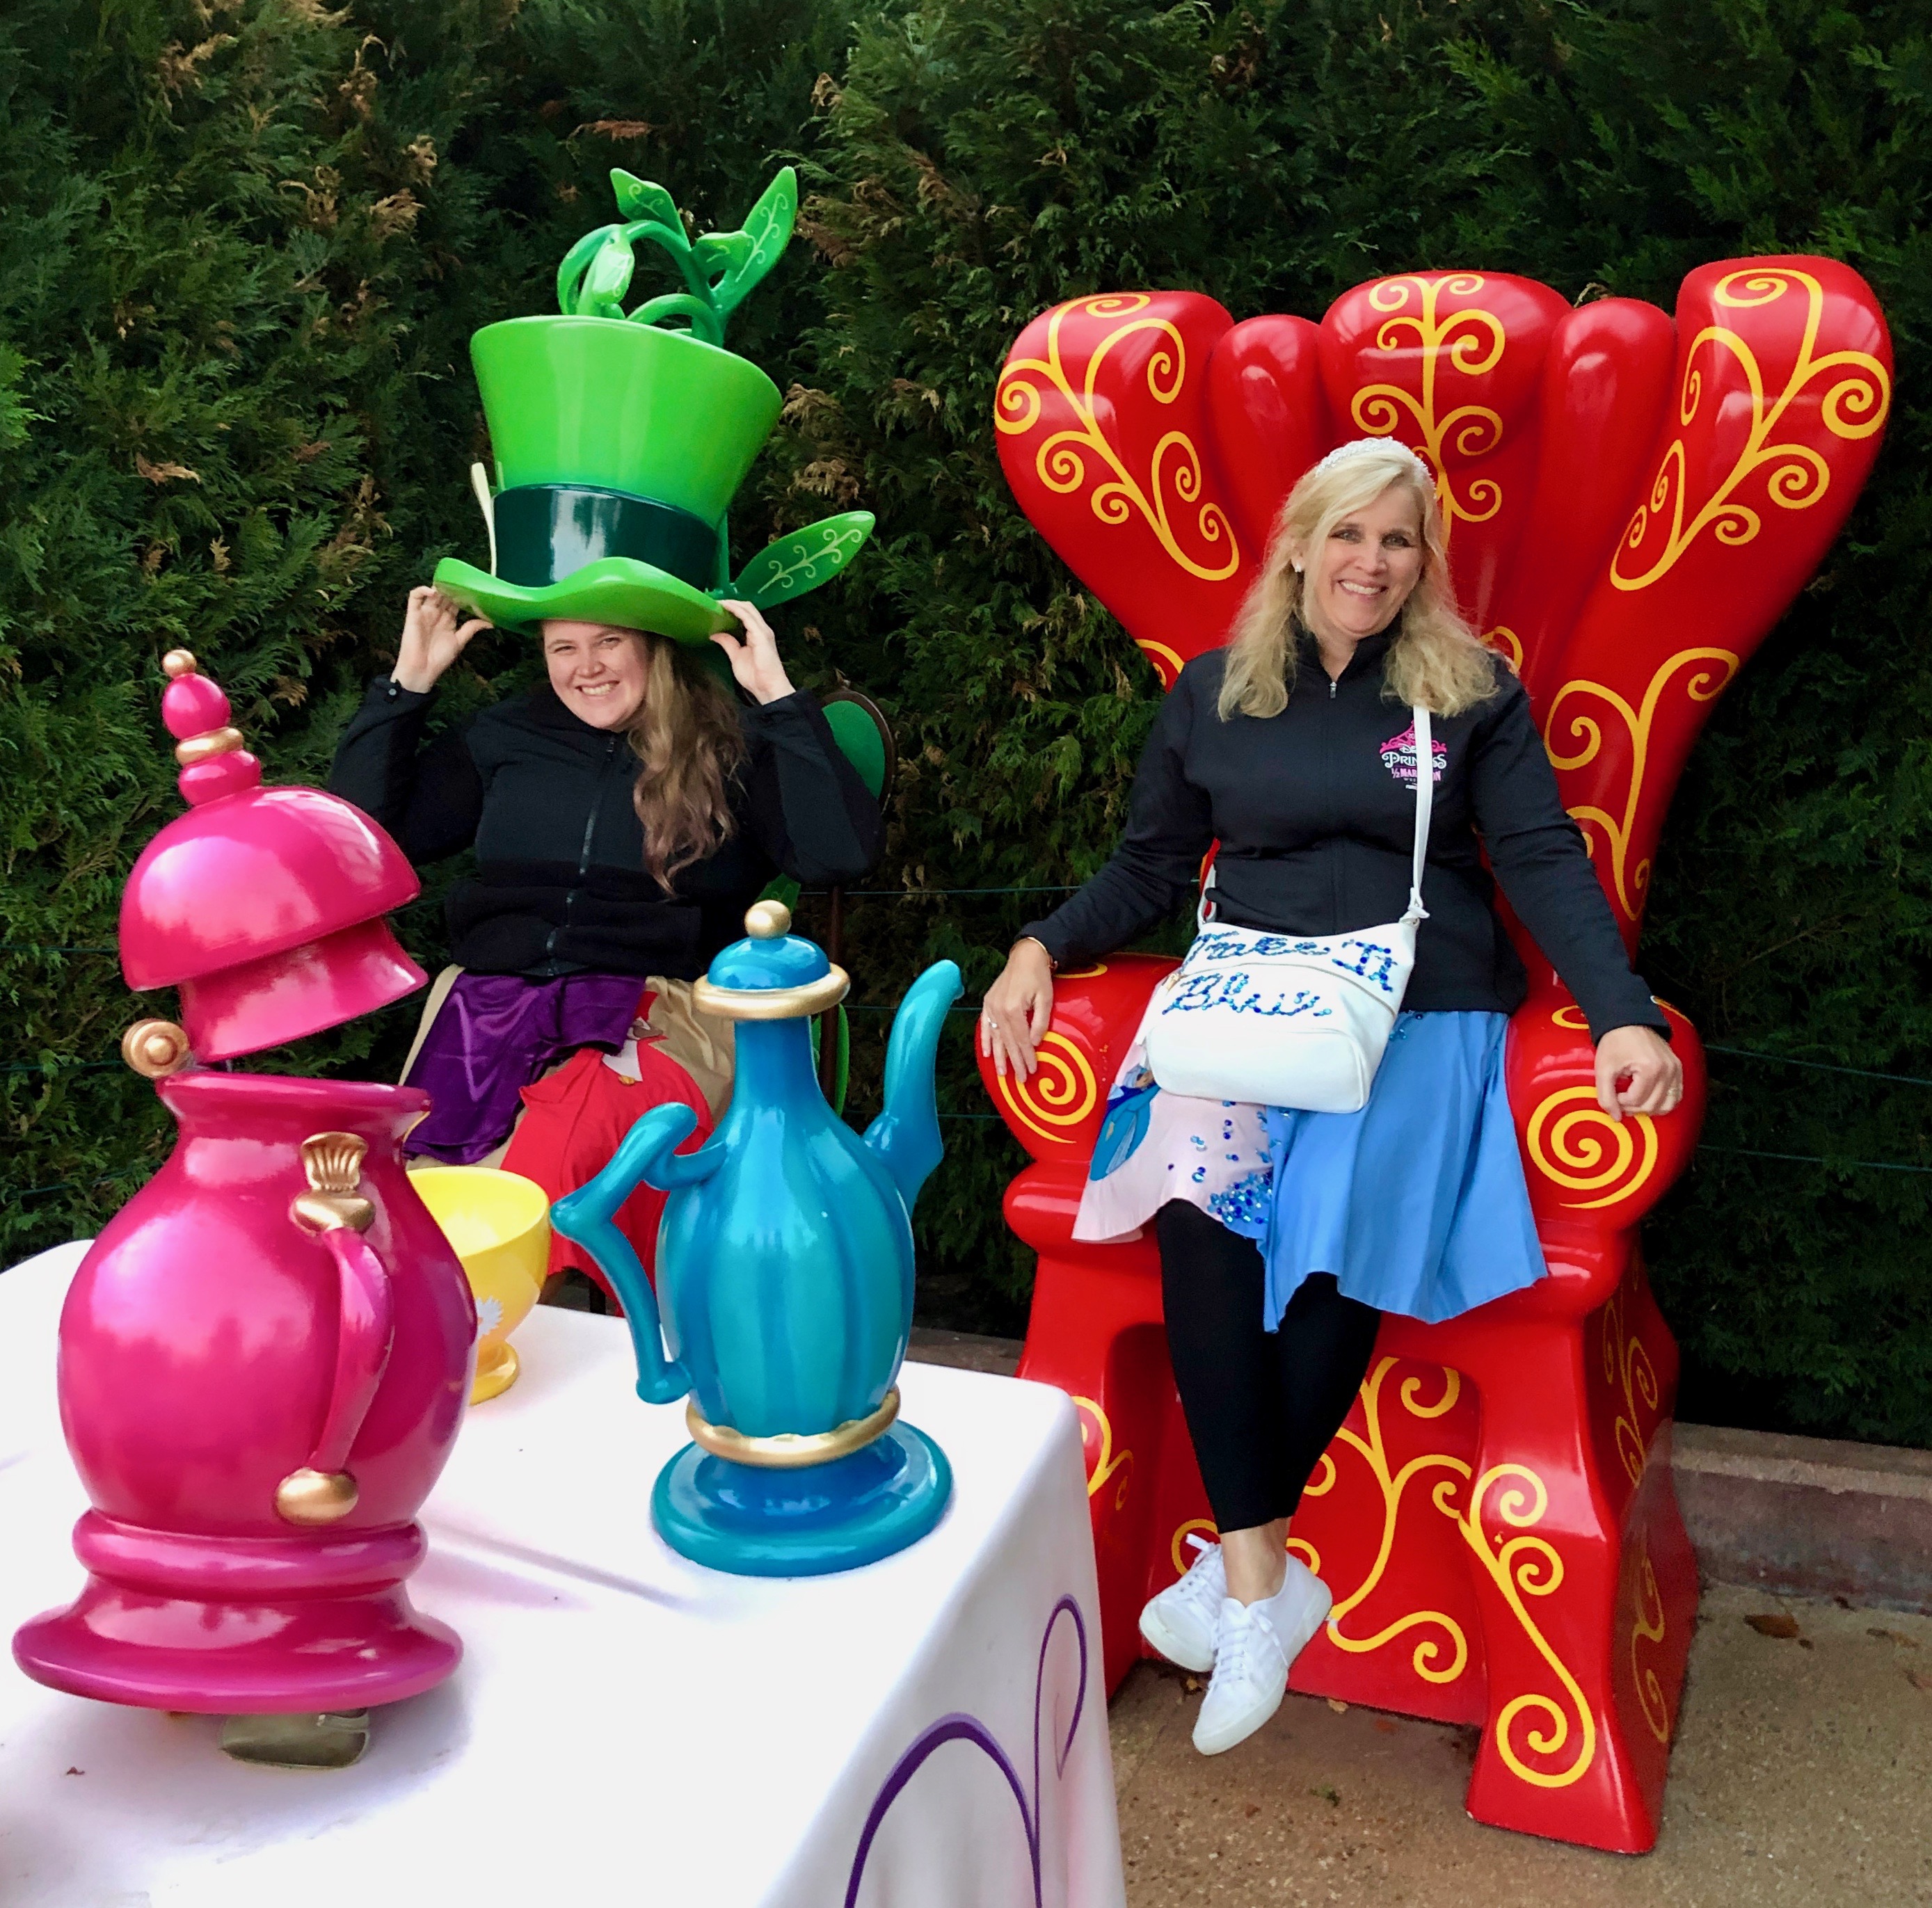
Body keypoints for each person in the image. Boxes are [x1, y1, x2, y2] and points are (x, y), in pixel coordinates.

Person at [978, 438, 1682, 1758]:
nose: (1370, 560)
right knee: (1198, 1214)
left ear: (1423, 562)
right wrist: (1039, 942)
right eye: (1346, 533)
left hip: (1418, 1009)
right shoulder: (1215, 691)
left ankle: (1237, 1573)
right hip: (1244, 1002)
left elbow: (1539, 854)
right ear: (1298, 544)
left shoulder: (1468, 695)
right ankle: (1264, 1577)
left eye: (1396, 539)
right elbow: (1148, 867)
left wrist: (1621, 1008)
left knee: (1336, 1248)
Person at [329, 584, 881, 1292]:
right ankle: (463, 1349)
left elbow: (837, 855)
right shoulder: (506, 733)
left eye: (608, 641)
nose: (585, 666)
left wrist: (777, 699)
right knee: (418, 1196)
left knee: (556, 1166)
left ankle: (559, 1337)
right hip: (486, 1008)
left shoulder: (730, 746)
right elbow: (357, 842)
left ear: (654, 646)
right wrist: (407, 686)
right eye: (563, 646)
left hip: (660, 1009)